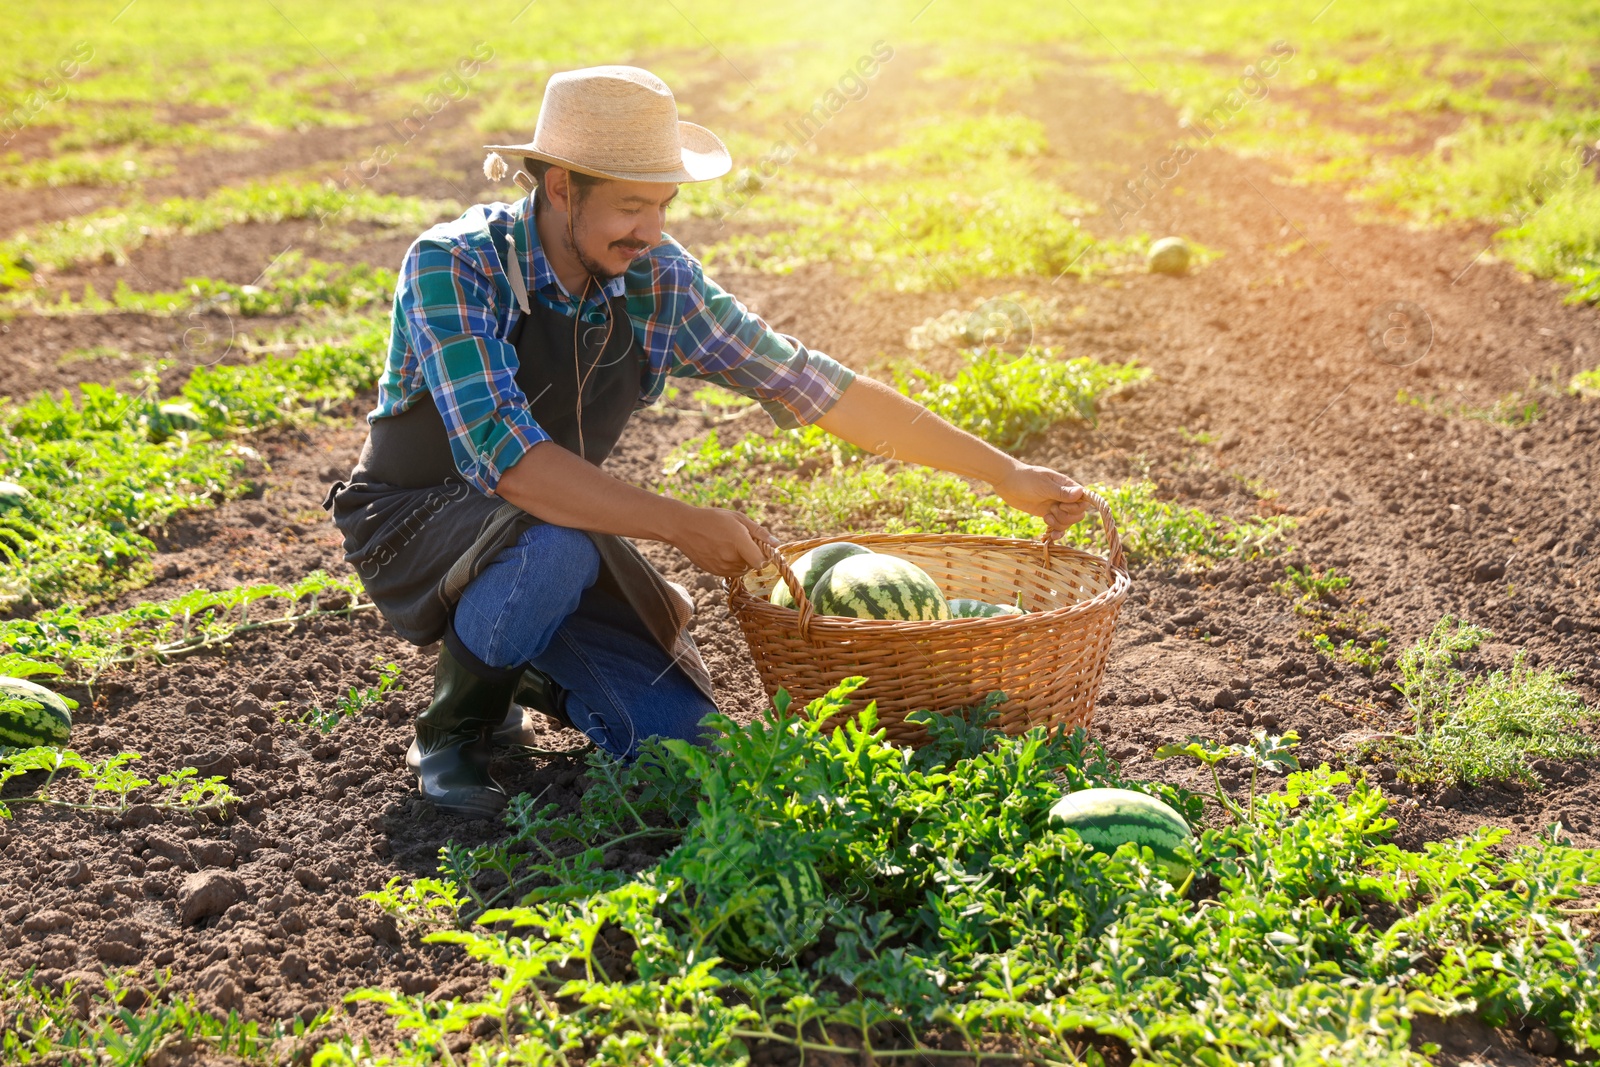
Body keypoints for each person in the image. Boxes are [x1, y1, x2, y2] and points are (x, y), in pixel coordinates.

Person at [322, 65, 1090, 818]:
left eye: (664, 204)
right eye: (630, 205)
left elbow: (814, 385)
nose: (651, 230)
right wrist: (683, 525)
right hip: (418, 519)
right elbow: (511, 463)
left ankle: (523, 667)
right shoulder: (454, 265)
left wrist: (1003, 470)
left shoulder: (660, 282)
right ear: (560, 187)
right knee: (556, 547)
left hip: (559, 532)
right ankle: (456, 729)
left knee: (690, 747)